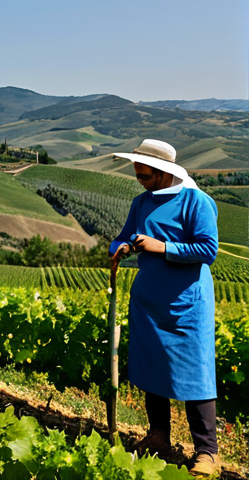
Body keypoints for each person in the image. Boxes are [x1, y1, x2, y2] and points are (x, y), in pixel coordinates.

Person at [110, 139, 220, 477]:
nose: (139, 180)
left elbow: (207, 250)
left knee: (194, 375)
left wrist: (162, 247)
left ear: (162, 173)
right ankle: (159, 437)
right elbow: (123, 236)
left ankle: (208, 453)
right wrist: (120, 247)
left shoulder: (196, 201)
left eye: (144, 176)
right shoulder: (141, 202)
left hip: (186, 305)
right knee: (153, 369)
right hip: (148, 303)